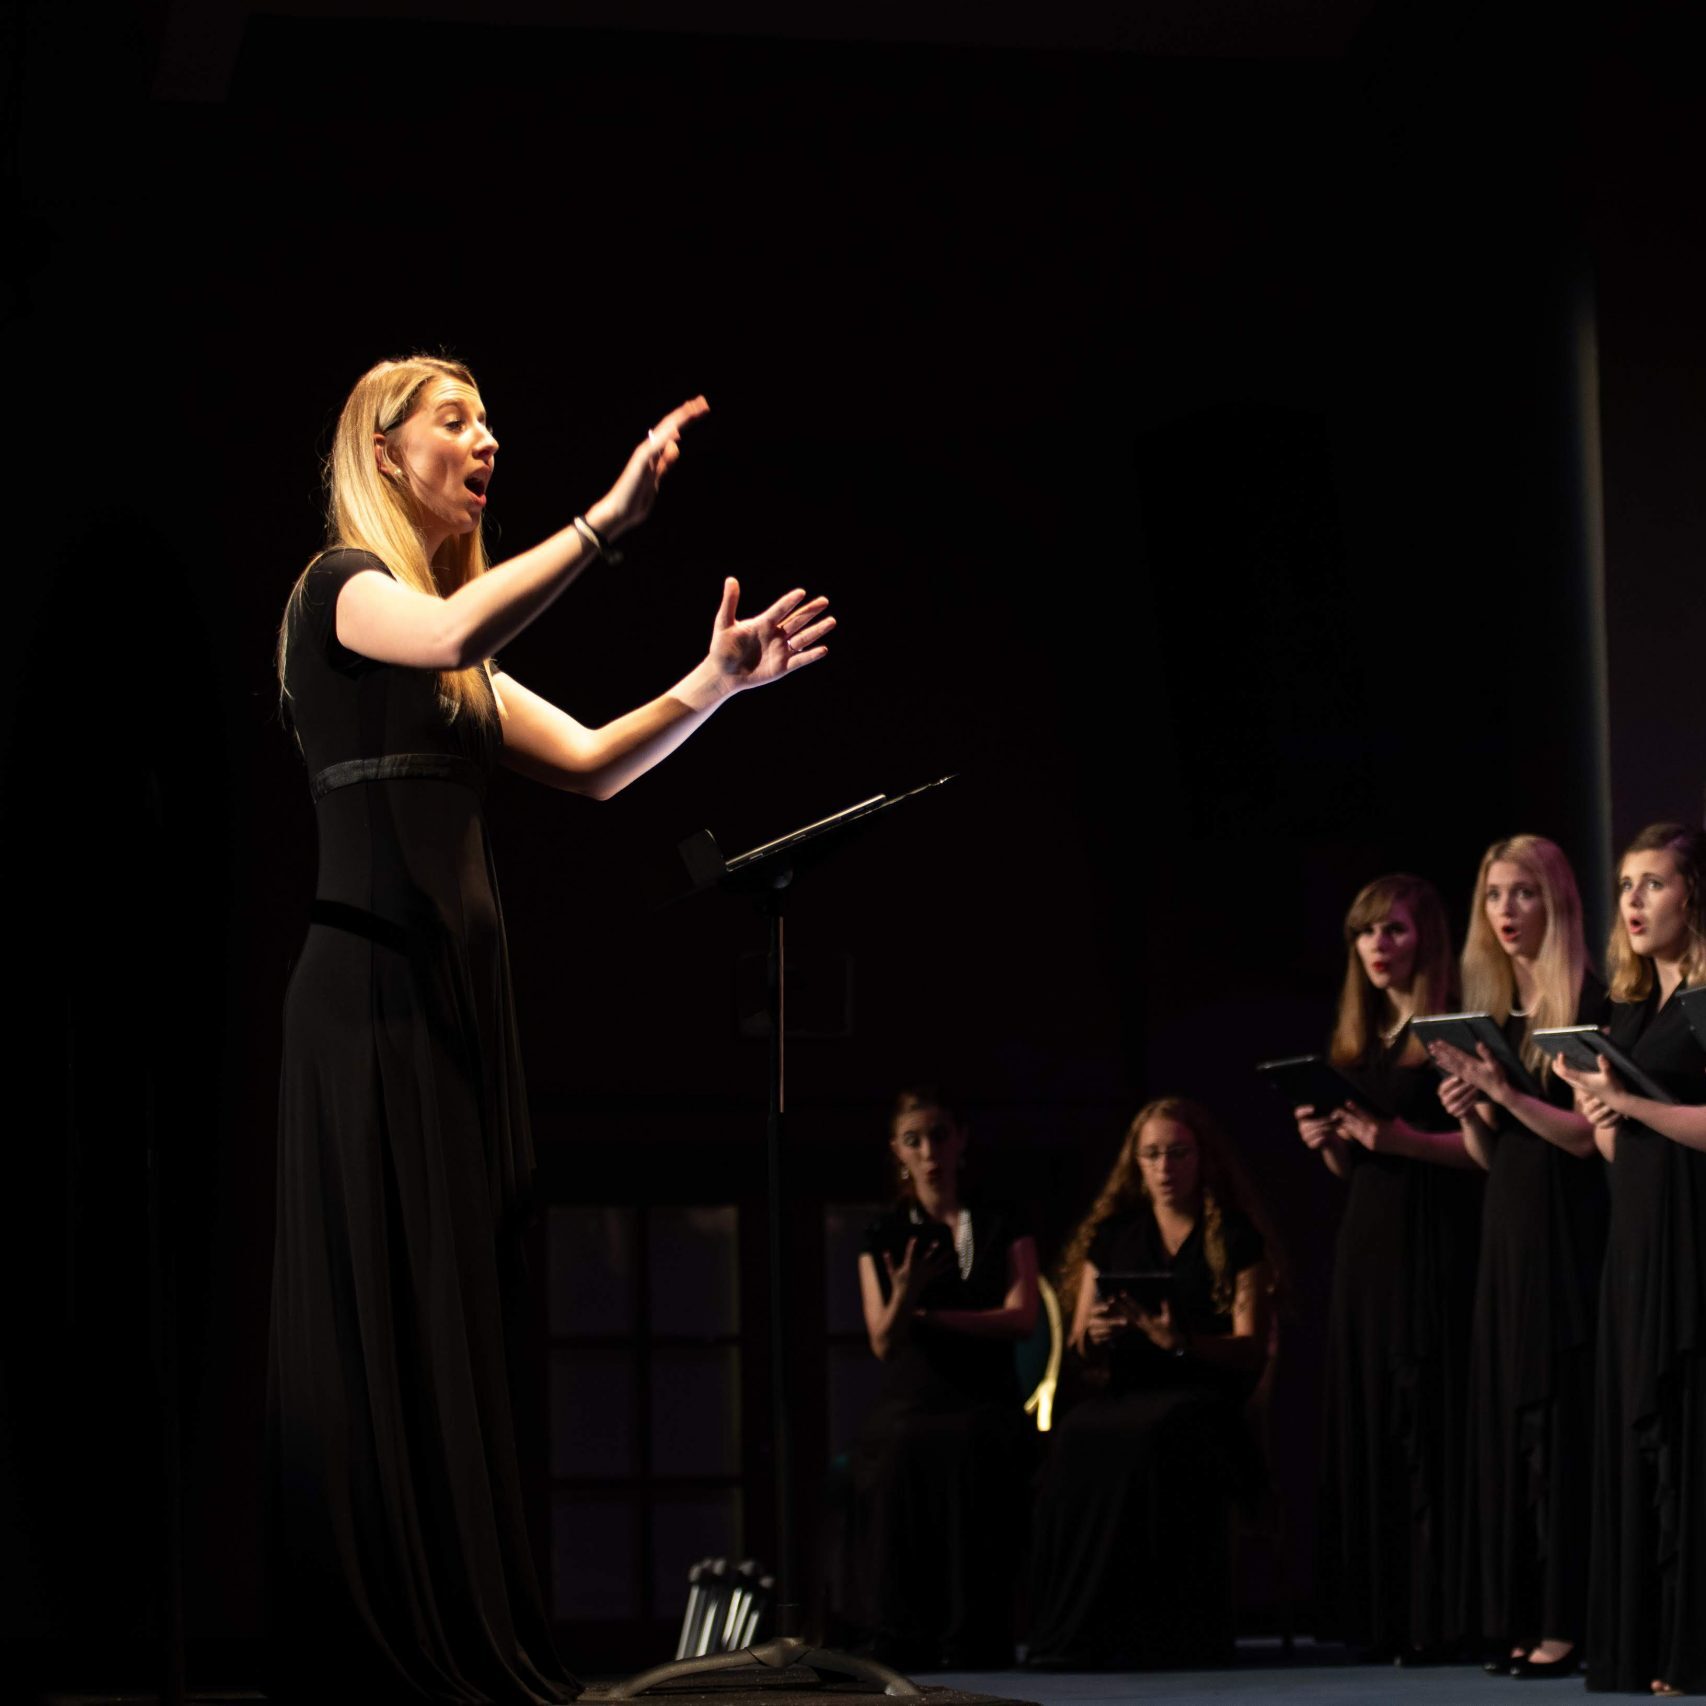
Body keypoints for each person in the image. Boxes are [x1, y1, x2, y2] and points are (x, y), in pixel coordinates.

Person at [267, 355, 833, 1703]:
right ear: (384, 449)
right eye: (454, 421)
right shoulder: (340, 589)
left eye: (487, 418)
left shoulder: (451, 654)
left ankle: (457, 1621)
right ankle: (375, 1641)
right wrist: (604, 522)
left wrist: (712, 685)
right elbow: (452, 634)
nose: (486, 438)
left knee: (452, 1317)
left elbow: (586, 760)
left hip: (456, 1013)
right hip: (369, 1003)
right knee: (383, 1319)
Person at [1425, 835, 1607, 1677]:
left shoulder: (1589, 1003)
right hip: (1507, 1237)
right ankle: (1529, 1613)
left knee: (1560, 1427)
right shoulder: (1496, 1017)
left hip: (1568, 1240)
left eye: (1522, 893)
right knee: (1519, 1432)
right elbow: (1497, 1156)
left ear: (1555, 903)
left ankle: (1570, 1620)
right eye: (1494, 895)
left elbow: (1581, 1140)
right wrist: (1469, 1108)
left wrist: (1500, 1090)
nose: (1505, 911)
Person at [1296, 873, 1482, 1663]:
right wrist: (1332, 1147)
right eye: (1366, 933)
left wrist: (1403, 1143)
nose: (1378, 945)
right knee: (1375, 1412)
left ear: (1428, 939)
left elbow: (1485, 1156)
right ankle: (1379, 1612)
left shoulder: (1454, 1033)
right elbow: (1363, 1166)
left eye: (1394, 930)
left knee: (1424, 1416)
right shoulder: (1362, 1041)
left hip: (1434, 1239)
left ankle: (1437, 1616)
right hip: (1367, 1245)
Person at [1026, 1096, 1274, 1669]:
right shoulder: (1113, 1236)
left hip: (1204, 1395)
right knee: (1075, 1438)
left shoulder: (1235, 1236)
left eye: (1178, 1154)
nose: (1165, 1168)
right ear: (1136, 1164)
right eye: (1153, 1155)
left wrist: (1178, 1342)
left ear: (1201, 1159)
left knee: (1158, 1435)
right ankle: (1084, 1632)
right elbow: (1078, 1345)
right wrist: (1097, 1330)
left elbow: (1251, 1348)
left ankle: (1164, 1633)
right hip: (1127, 1391)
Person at [1554, 823, 1706, 1698]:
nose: (1634, 901)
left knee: (1689, 1437)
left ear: (1692, 896)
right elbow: (1630, 1150)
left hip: (1694, 1243)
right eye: (1624, 885)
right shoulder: (1628, 1006)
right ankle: (1650, 1642)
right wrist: (1608, 1121)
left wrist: (1630, 1108)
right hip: (1639, 1243)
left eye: (1653, 883)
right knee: (1647, 1443)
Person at [835, 1089, 1039, 1669]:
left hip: (985, 1395)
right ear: (897, 1151)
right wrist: (906, 1292)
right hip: (912, 1398)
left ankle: (976, 1632)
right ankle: (899, 1632)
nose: (930, 1152)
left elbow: (1022, 1316)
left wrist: (934, 1318)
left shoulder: (1001, 1221)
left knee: (977, 1446)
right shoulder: (884, 1232)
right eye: (914, 1140)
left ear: (961, 1140)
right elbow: (882, 1339)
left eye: (940, 1136)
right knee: (899, 1452)